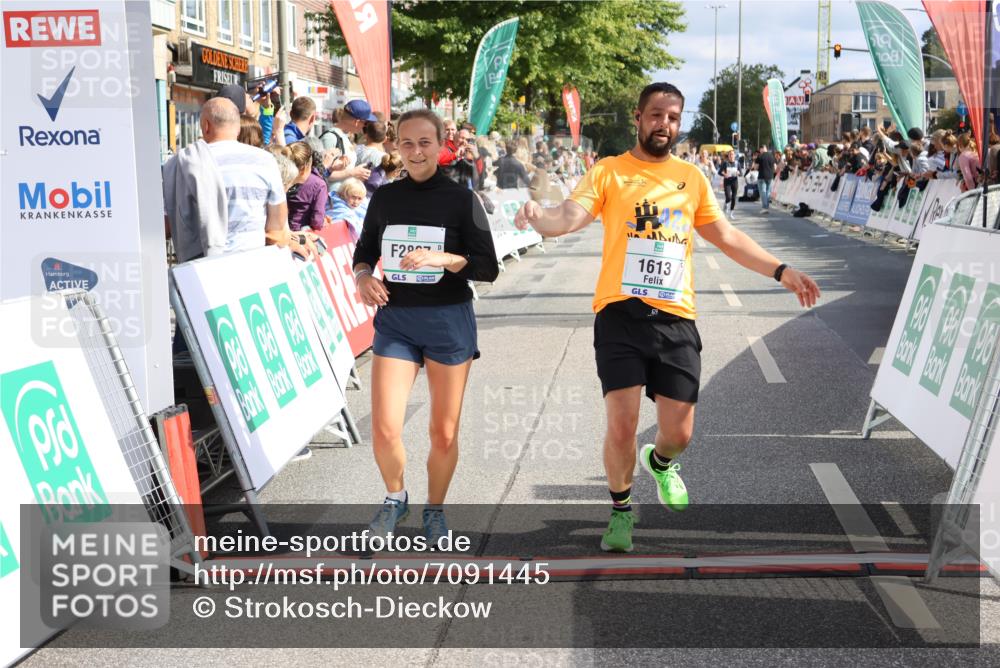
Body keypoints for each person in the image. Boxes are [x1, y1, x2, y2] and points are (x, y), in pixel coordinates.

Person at [512, 82, 820, 553]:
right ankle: (620, 512)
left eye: (673, 117)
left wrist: (781, 270)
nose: (664, 125)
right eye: (656, 115)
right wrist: (540, 216)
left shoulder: (691, 178)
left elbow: (727, 236)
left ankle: (660, 463)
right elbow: (570, 217)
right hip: (620, 313)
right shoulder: (610, 172)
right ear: (638, 117)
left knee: (678, 432)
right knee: (622, 422)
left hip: (675, 317)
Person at [352, 109, 500, 548]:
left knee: (444, 431)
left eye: (425, 143)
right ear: (396, 146)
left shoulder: (460, 200)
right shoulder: (385, 199)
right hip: (396, 321)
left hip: (447, 322)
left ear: (441, 145)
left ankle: (434, 510)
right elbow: (363, 252)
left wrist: (444, 259)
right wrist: (363, 278)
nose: (416, 151)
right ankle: (395, 498)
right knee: (383, 427)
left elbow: (487, 268)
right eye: (407, 143)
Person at [162, 97, 287, 263]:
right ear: (237, 128)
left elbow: (165, 227)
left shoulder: (183, 162)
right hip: (253, 267)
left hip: (199, 272)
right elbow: (276, 228)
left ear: (206, 126)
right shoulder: (266, 160)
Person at [322, 100, 377, 190]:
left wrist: (356, 174)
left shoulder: (343, 136)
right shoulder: (330, 137)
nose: (365, 127)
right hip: (332, 199)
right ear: (357, 122)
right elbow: (321, 173)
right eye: (366, 123)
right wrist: (353, 172)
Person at [286, 141, 329, 232]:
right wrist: (322, 222)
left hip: (278, 230)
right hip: (301, 234)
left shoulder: (280, 177)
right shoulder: (319, 184)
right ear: (309, 163)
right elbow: (317, 221)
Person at [718, 149, 740, 219]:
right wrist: (724, 174)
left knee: (734, 197)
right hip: (727, 181)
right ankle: (726, 203)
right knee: (728, 196)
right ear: (728, 156)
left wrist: (738, 173)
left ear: (734, 155)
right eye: (730, 154)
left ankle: (731, 213)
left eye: (732, 154)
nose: (731, 156)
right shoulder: (725, 163)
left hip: (734, 181)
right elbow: (720, 172)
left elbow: (741, 172)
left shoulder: (737, 163)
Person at [754, 145, 776, 214]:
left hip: (762, 176)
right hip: (770, 176)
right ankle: (767, 207)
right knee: (767, 192)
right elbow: (775, 167)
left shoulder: (760, 156)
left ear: (762, 149)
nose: (760, 151)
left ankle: (764, 207)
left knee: (763, 192)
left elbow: (756, 168)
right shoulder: (772, 156)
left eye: (760, 149)